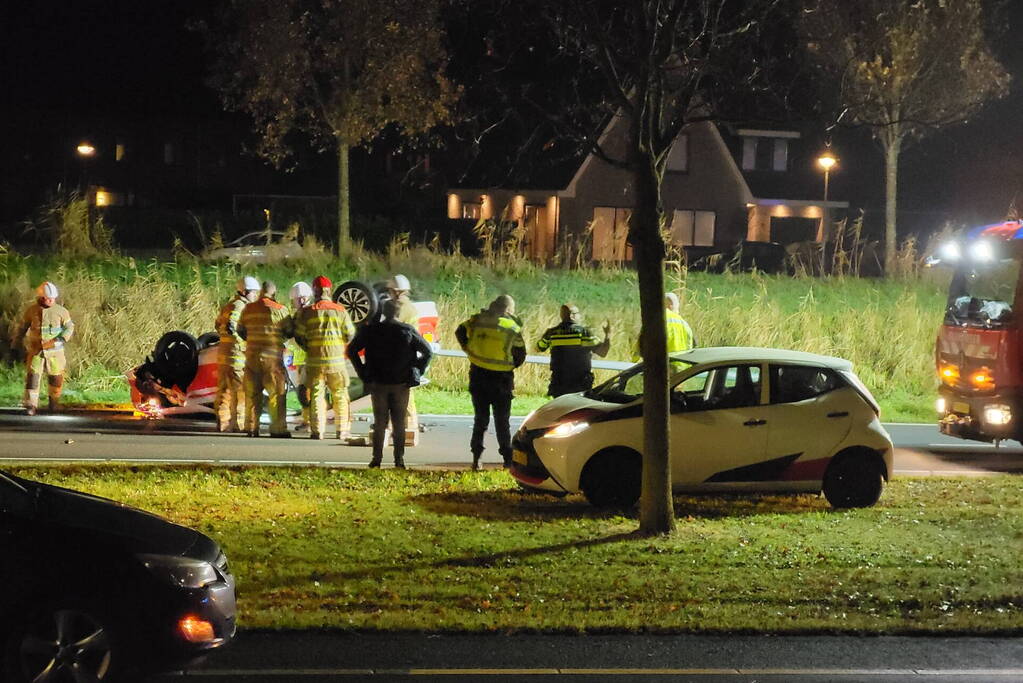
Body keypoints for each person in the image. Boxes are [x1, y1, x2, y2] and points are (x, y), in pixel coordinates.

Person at [347, 299, 433, 469]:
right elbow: (428, 352)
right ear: (398, 313)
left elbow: (351, 350)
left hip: (378, 383)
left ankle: (376, 459)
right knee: (399, 422)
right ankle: (399, 460)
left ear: (383, 312)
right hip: (401, 383)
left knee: (380, 422)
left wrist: (362, 371)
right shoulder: (407, 331)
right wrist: (417, 370)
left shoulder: (371, 330)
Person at [455, 294, 526, 470]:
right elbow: (520, 355)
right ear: (508, 309)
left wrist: (468, 349)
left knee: (481, 419)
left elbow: (459, 331)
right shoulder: (512, 327)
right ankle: (508, 460)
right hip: (501, 379)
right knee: (502, 421)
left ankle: (477, 459)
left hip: (478, 375)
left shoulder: (477, 320)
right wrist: (510, 364)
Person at [294, 275, 356, 440]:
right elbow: (350, 334)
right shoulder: (341, 311)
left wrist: (309, 348)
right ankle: (342, 430)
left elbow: (299, 336)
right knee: (340, 394)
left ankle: (317, 431)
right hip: (336, 363)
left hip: (315, 363)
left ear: (315, 291)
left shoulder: (307, 312)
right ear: (330, 290)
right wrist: (339, 345)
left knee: (316, 395)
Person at [238, 281, 293, 438]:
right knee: (276, 393)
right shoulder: (281, 310)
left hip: (251, 357)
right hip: (272, 360)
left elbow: (240, 330)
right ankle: (278, 429)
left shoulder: (248, 309)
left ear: (261, 292)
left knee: (253, 394)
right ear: (273, 294)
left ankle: (251, 428)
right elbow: (289, 331)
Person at [10, 281, 74, 415]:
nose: (51, 301)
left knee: (56, 378)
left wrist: (58, 340)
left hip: (55, 353)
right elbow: (22, 328)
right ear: (41, 297)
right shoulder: (32, 311)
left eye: (53, 299)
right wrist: (15, 345)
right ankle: (30, 405)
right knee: (33, 378)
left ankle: (54, 404)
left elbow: (69, 328)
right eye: (48, 298)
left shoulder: (61, 312)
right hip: (36, 352)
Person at [214, 276, 260, 432]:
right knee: (240, 391)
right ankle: (239, 424)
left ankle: (223, 421)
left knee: (224, 391)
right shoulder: (241, 306)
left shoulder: (228, 306)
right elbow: (232, 326)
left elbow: (218, 325)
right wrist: (246, 340)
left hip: (223, 356)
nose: (255, 296)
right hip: (237, 357)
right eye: (254, 293)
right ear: (245, 292)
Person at [536, 304, 611, 397]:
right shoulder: (584, 333)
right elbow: (603, 352)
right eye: (578, 313)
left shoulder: (552, 333)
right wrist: (608, 335)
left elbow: (539, 347)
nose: (579, 316)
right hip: (580, 383)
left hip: (559, 382)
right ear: (572, 316)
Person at [387, 273, 421, 435]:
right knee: (406, 393)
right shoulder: (412, 308)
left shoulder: (397, 308)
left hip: (395, 355)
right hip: (409, 356)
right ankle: (410, 426)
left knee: (390, 392)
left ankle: (391, 426)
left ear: (394, 291)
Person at [287, 281, 313, 431]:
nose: (300, 301)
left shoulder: (307, 315)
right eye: (297, 299)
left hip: (309, 359)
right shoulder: (298, 315)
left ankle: (310, 422)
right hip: (300, 360)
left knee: (306, 393)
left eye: (302, 298)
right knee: (304, 393)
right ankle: (308, 420)